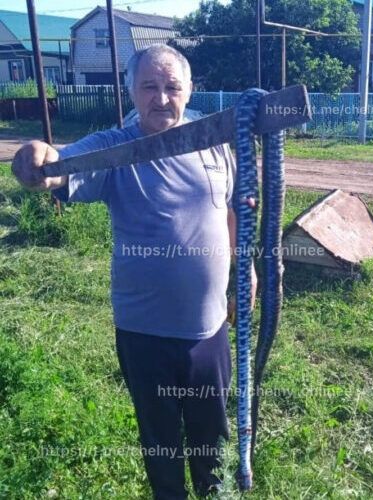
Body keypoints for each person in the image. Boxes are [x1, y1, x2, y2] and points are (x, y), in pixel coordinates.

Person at [11, 44, 257, 499]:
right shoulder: (115, 148)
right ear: (130, 92)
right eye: (149, 87)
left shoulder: (215, 140)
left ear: (189, 91)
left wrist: (248, 269)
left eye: (171, 87)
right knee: (160, 437)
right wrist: (39, 158)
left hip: (209, 328)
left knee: (212, 431)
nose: (161, 98)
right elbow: (62, 166)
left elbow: (230, 209)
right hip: (144, 331)